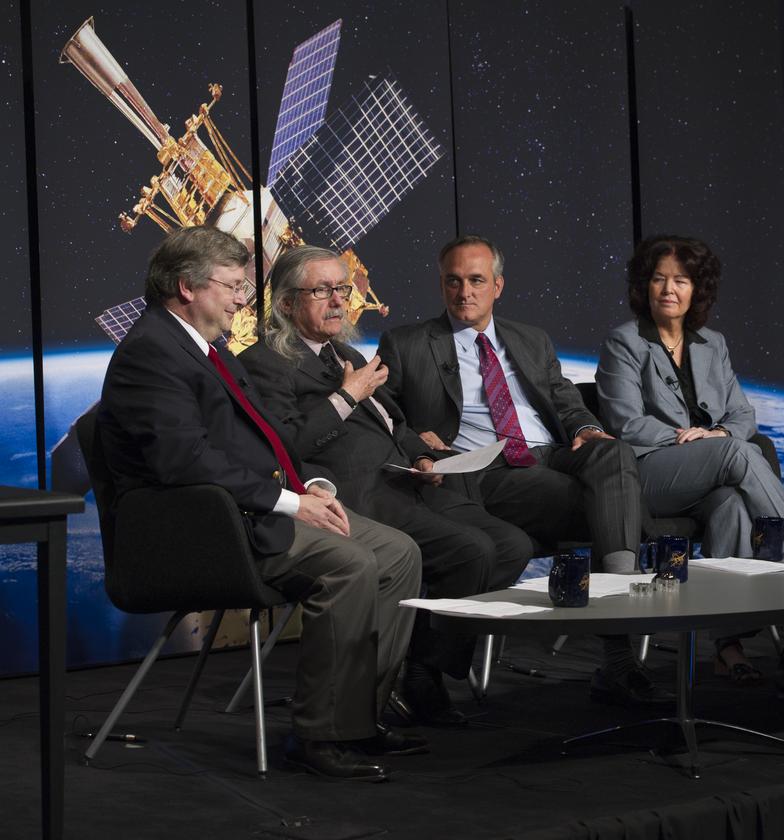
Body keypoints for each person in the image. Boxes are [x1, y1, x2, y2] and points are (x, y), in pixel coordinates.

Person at [97, 226, 425, 782]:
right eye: (232, 287)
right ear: (186, 287)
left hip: (248, 509)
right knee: (351, 565)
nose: (242, 300)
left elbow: (266, 438)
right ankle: (321, 734)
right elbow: (185, 463)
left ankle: (358, 715)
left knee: (398, 554)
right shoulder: (150, 354)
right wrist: (289, 504)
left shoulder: (207, 347)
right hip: (203, 531)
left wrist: (306, 488)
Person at [238, 246, 535, 727]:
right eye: (322, 291)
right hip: (357, 494)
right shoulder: (268, 361)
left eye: (342, 289)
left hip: (406, 478)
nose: (338, 301)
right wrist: (345, 396)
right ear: (288, 304)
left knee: (509, 545)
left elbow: (395, 421)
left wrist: (420, 452)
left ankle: (421, 660)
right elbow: (285, 443)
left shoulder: (347, 353)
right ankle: (419, 676)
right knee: (470, 552)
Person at [376, 234, 670, 707]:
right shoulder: (407, 342)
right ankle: (621, 645)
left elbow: (565, 400)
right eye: (452, 281)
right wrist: (415, 441)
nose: (463, 292)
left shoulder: (531, 339)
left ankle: (617, 593)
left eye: (475, 281)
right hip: (483, 467)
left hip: (550, 452)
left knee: (614, 455)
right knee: (616, 508)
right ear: (441, 286)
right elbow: (382, 410)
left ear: (498, 285)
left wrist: (588, 428)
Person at [595, 235, 784, 681]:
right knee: (737, 452)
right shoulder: (624, 342)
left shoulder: (712, 343)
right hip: (647, 473)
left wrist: (716, 434)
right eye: (658, 279)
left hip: (706, 474)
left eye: (680, 280)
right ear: (644, 286)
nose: (668, 289)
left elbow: (742, 414)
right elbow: (625, 424)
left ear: (697, 290)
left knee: (731, 505)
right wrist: (694, 440)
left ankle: (726, 644)